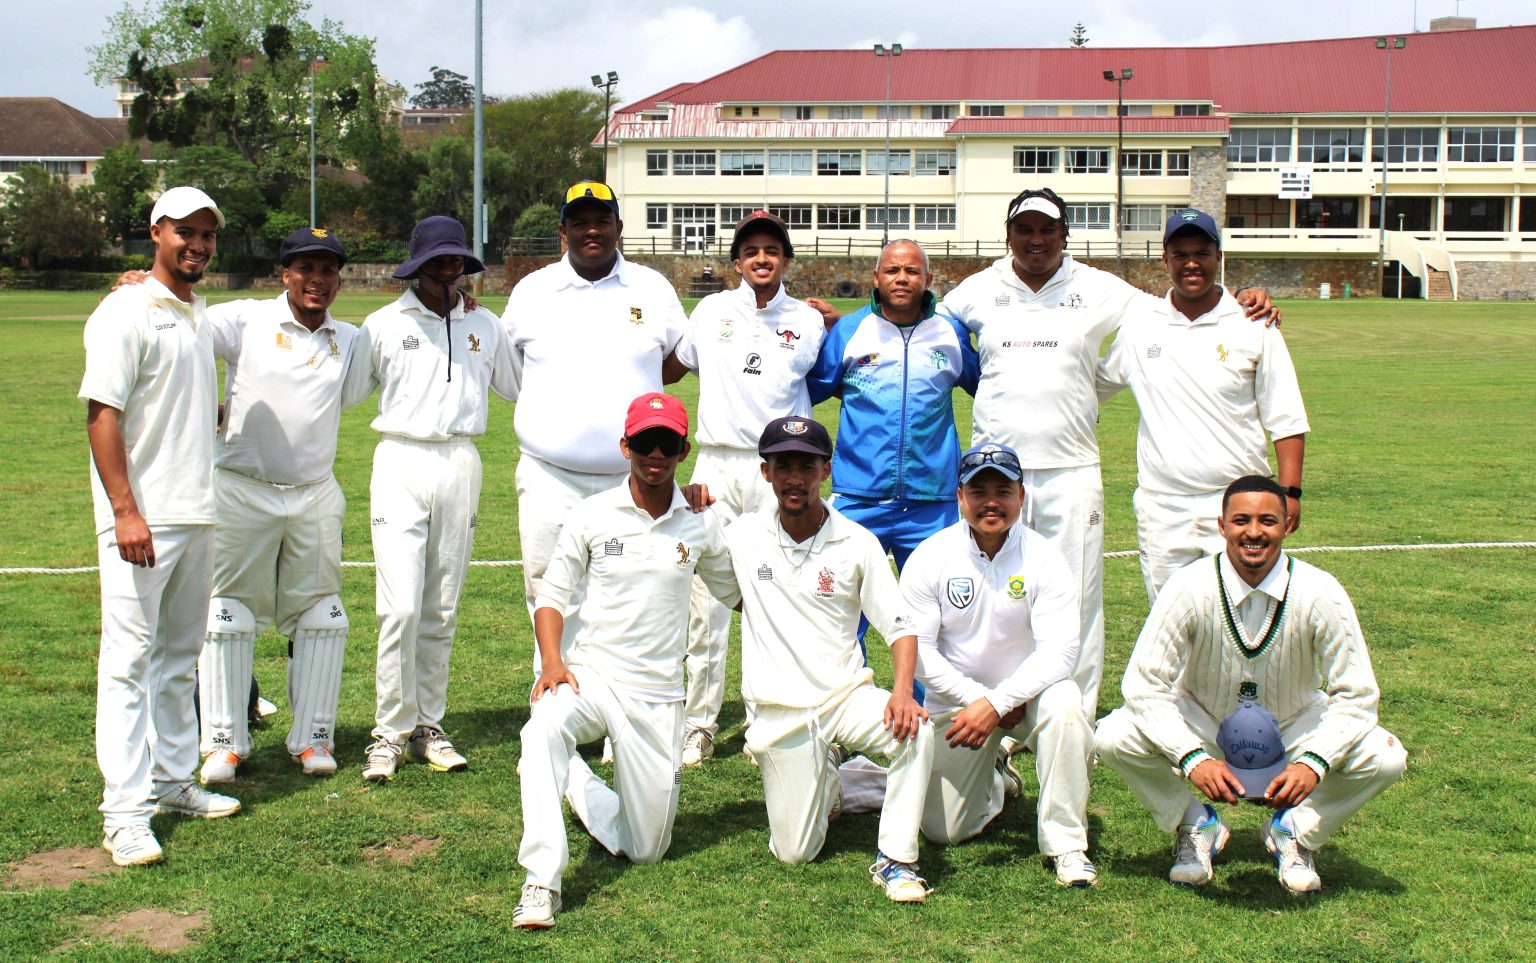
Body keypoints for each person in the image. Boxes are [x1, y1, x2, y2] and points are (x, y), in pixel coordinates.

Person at [938, 188, 1278, 720]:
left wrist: (1244, 298)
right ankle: (1002, 718)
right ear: (1008, 235)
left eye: (1047, 229)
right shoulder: (976, 291)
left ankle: (1075, 722)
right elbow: (919, 322)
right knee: (995, 600)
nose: (1035, 239)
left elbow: (1184, 300)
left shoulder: (1099, 288)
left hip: (1072, 470)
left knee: (1075, 603)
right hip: (995, 478)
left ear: (1064, 234)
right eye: (1024, 228)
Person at [1095, 476, 1407, 894]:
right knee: (1113, 736)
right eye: (1241, 520)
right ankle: (1195, 824)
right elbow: (1143, 685)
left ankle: (1295, 830)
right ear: (1222, 525)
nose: (1254, 532)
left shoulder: (1320, 590)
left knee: (1385, 757)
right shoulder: (1189, 586)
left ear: (1287, 525)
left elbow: (1358, 695)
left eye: (1268, 521)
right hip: (1205, 720)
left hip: (1293, 722)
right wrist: (1191, 759)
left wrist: (1314, 760)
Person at [513, 393, 740, 930]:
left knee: (647, 849)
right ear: (625, 446)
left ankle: (575, 780)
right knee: (542, 726)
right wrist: (551, 664)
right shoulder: (592, 515)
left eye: (667, 443)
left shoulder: (701, 522)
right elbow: (551, 597)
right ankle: (541, 880)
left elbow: (739, 595)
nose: (654, 453)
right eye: (644, 442)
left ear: (684, 450)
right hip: (592, 676)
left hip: (659, 697)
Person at [141, 227, 359, 784]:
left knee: (321, 616)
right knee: (227, 614)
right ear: (284, 274)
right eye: (305, 269)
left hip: (313, 492)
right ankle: (223, 742)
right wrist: (139, 287)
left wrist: (460, 298)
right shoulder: (245, 319)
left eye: (328, 270)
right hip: (241, 488)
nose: (317, 280)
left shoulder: (352, 338)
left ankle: (313, 738)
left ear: (339, 279)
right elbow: (176, 324)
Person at [80, 186, 240, 867]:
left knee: (179, 660)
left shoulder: (198, 312)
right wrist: (124, 510)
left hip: (195, 512)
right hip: (141, 521)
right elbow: (102, 412)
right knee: (127, 664)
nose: (197, 244)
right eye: (186, 232)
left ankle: (174, 781)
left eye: (207, 235)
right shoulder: (126, 309)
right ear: (156, 231)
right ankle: (125, 812)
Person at [724, 416, 936, 902]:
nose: (794, 478)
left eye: (806, 465)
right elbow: (725, 587)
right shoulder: (741, 536)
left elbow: (901, 627)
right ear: (766, 472)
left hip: (845, 697)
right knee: (796, 851)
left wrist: (902, 693)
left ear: (827, 470)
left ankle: (896, 860)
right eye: (783, 466)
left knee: (917, 730)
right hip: (781, 712)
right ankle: (839, 783)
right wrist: (695, 501)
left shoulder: (857, 541)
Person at [350, 216, 520, 782]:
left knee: (441, 606)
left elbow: (520, 385)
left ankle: (428, 725)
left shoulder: (486, 325)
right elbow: (345, 391)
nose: (448, 273)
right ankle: (388, 732)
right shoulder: (381, 324)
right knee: (399, 607)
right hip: (399, 459)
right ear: (416, 267)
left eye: (456, 263)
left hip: (460, 460)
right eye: (436, 263)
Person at [503, 182, 688, 668]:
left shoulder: (652, 287)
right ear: (563, 231)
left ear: (618, 228)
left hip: (629, 478)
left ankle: (619, 715)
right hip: (549, 474)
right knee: (549, 591)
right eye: (580, 221)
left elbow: (675, 361)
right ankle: (556, 708)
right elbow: (510, 367)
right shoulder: (533, 290)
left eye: (601, 220)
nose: (592, 230)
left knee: (629, 594)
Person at [898, 442, 1098, 887]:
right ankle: (996, 779)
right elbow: (920, 652)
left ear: (1022, 497)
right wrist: (980, 701)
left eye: (1003, 491)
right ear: (960, 498)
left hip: (1030, 699)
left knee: (1066, 703)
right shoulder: (930, 557)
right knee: (944, 831)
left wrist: (1004, 700)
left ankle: (1067, 844)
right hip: (959, 705)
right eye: (979, 490)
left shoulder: (1045, 557)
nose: (991, 502)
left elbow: (1061, 651)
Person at [668, 210, 827, 766]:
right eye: (751, 250)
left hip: (777, 469)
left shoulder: (808, 320)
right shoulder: (710, 310)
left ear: (785, 260)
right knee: (706, 600)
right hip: (715, 464)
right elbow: (673, 363)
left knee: (775, 590)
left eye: (772, 250)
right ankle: (699, 724)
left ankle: (768, 718)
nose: (762, 258)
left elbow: (825, 376)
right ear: (737, 261)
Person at [1097, 209, 1309, 602]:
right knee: (1171, 621)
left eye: (1202, 253)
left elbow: (1286, 417)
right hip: (1163, 505)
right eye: (1180, 254)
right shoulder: (1141, 325)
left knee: (1245, 617)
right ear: (1165, 259)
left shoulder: (1252, 322)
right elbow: (1091, 388)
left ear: (1218, 257)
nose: (1191, 263)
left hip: (1238, 503)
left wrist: (1289, 492)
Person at [807, 240, 979, 572]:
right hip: (859, 497)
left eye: (912, 271)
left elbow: (986, 387)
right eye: (892, 270)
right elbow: (809, 389)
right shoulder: (850, 330)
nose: (902, 278)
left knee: (935, 612)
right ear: (876, 278)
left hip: (931, 501)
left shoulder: (949, 333)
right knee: (844, 610)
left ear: (928, 280)